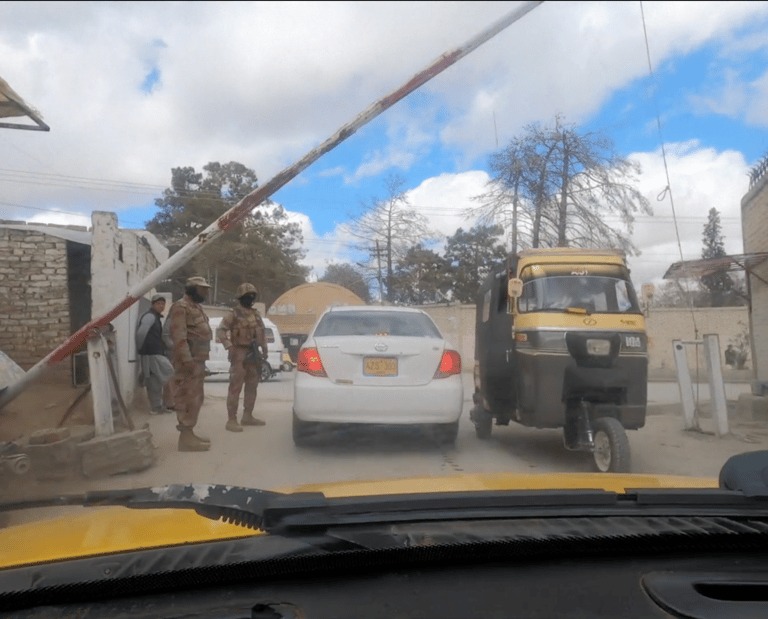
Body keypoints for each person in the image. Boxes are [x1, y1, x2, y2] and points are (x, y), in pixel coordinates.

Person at [168, 276, 213, 452]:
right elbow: (179, 336)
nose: (206, 292)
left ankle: (189, 433)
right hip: (188, 362)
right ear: (192, 289)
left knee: (196, 398)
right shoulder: (181, 307)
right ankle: (185, 438)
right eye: (203, 289)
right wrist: (187, 360)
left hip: (198, 360)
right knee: (187, 397)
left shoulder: (197, 308)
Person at [216, 283, 267, 432]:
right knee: (235, 387)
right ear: (240, 297)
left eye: (252, 296)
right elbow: (220, 331)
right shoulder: (233, 314)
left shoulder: (256, 314)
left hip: (254, 353)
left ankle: (247, 416)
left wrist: (264, 350)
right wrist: (229, 346)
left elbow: (262, 333)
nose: (250, 298)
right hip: (239, 352)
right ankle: (231, 420)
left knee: (252, 385)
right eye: (247, 296)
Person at [136, 294, 175, 414]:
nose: (161, 306)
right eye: (158, 303)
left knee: (157, 379)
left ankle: (158, 406)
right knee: (155, 379)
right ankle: (155, 407)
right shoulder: (149, 316)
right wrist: (141, 349)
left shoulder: (156, 317)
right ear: (153, 304)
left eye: (163, 304)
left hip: (155, 352)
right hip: (150, 353)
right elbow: (141, 333)